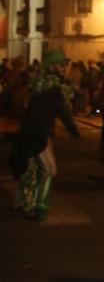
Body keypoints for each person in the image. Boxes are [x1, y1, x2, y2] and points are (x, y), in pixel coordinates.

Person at [9, 49, 79, 221]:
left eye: (65, 65)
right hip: (37, 134)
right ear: (52, 67)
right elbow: (60, 109)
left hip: (33, 132)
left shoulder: (41, 83)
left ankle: (26, 201)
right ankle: (40, 206)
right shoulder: (51, 86)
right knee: (50, 169)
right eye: (61, 65)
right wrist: (73, 129)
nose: (64, 68)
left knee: (34, 169)